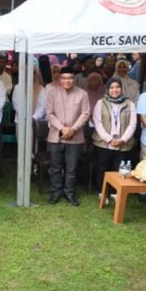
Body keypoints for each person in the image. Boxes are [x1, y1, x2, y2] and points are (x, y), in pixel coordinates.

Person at [45, 67, 90, 205]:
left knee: (72, 167)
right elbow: (49, 113)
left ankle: (69, 193)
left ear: (74, 79)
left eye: (70, 78)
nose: (67, 81)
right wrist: (62, 128)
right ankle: (55, 192)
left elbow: (85, 113)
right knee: (56, 167)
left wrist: (73, 129)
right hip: (56, 135)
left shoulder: (82, 93)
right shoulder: (52, 92)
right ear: (60, 79)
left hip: (75, 136)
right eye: (64, 78)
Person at [92, 78, 137, 197]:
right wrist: (109, 139)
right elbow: (98, 123)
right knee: (102, 168)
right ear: (107, 89)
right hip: (104, 143)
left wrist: (123, 139)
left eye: (117, 87)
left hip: (123, 143)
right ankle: (103, 192)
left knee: (119, 168)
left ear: (121, 88)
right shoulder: (101, 103)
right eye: (112, 87)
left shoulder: (129, 103)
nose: (115, 90)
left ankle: (115, 192)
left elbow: (133, 124)